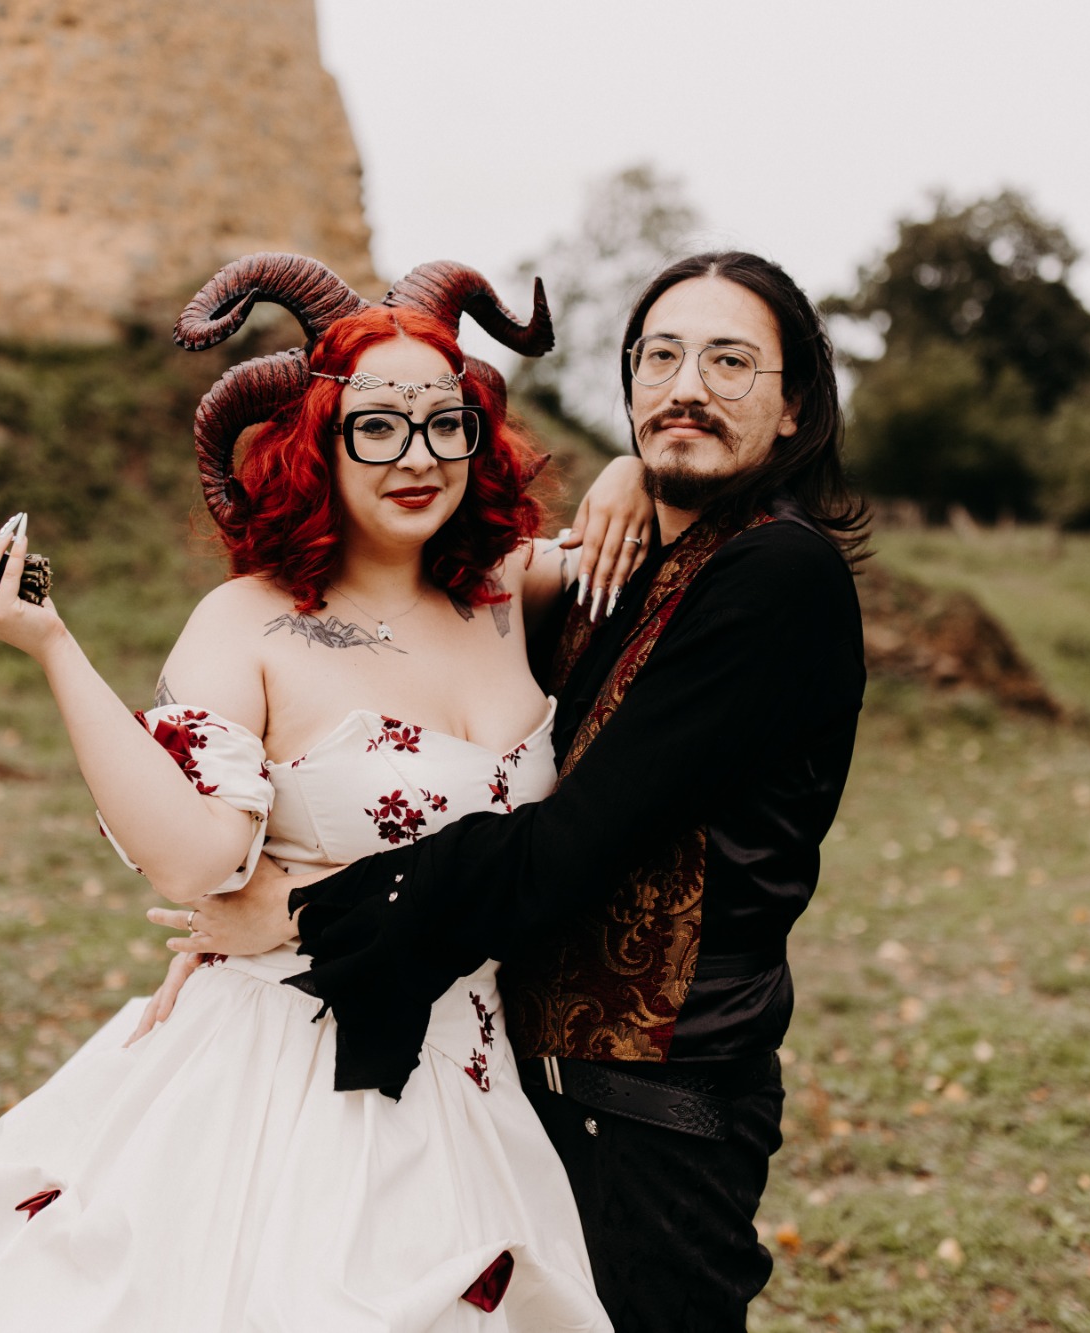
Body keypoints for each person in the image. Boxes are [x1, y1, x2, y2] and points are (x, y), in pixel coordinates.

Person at [0, 255, 657, 1332]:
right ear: (316, 441)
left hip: (473, 1069)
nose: (418, 457)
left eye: (443, 423)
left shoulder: (510, 586)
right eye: (376, 427)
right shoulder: (248, 622)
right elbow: (194, 859)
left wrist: (634, 471)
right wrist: (52, 646)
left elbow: (678, 541)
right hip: (287, 1069)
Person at [165, 252, 869, 1333]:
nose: (686, 386)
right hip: (513, 1080)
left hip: (654, 1106)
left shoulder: (778, 579)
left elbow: (564, 845)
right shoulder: (636, 558)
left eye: (730, 362)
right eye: (660, 358)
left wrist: (300, 911)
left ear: (794, 409)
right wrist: (627, 478)